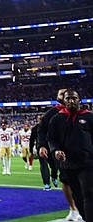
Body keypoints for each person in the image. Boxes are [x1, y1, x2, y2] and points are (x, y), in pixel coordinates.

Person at [48, 89, 93, 221]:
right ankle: (85, 217)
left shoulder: (89, 117)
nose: (71, 101)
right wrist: (55, 150)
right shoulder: (57, 119)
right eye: (68, 99)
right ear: (64, 101)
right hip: (68, 164)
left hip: (88, 163)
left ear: (79, 100)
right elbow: (52, 138)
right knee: (77, 195)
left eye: (74, 98)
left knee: (89, 193)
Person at [39, 88, 81, 221]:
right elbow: (42, 131)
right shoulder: (52, 114)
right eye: (62, 94)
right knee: (66, 180)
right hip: (62, 153)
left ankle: (81, 208)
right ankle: (73, 209)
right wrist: (42, 146)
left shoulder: (83, 113)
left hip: (83, 152)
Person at [30, 120, 57, 190]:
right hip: (41, 149)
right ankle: (47, 183)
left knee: (54, 165)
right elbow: (32, 140)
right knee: (44, 166)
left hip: (51, 148)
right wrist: (31, 151)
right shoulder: (35, 128)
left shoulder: (51, 126)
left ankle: (54, 176)